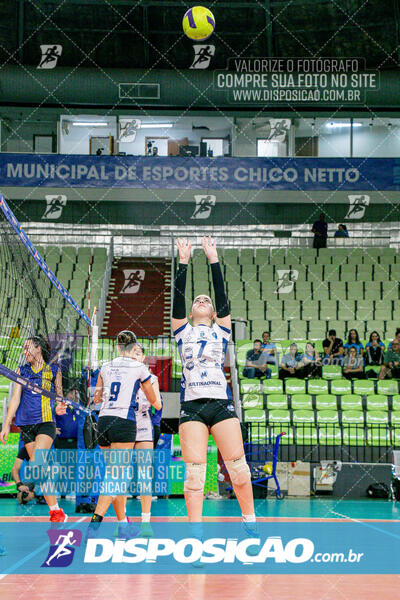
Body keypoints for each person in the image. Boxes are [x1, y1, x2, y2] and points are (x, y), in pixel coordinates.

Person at [172, 236, 258, 541]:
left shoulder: (222, 329)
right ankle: (195, 534)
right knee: (194, 475)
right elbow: (178, 298)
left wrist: (213, 259)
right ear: (193, 313)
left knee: (239, 469)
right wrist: (183, 262)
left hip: (220, 404)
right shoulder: (182, 331)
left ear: (212, 313)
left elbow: (222, 298)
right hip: (193, 407)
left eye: (205, 301)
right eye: (198, 300)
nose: (202, 300)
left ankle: (250, 521)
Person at [89, 330, 161, 536]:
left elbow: (96, 399)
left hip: (103, 422)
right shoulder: (140, 368)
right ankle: (95, 524)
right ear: (133, 348)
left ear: (117, 347)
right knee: (115, 478)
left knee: (114, 477)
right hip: (124, 422)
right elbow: (155, 401)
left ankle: (123, 524)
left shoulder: (105, 366)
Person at [0, 334, 68, 522]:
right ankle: (56, 512)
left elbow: (59, 397)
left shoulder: (54, 370)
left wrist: (61, 407)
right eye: (23, 348)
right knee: (40, 470)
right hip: (26, 423)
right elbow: (15, 399)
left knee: (38, 463)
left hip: (46, 423)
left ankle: (55, 510)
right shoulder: (21, 371)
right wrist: (6, 425)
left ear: (38, 348)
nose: (24, 352)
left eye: (27, 347)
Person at [132, 342, 163, 537]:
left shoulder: (152, 378)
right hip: (123, 424)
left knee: (144, 474)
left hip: (143, 424)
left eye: (139, 353)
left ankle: (145, 521)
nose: (136, 355)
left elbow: (157, 404)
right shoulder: (119, 374)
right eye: (133, 352)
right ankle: (122, 520)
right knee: (120, 473)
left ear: (143, 358)